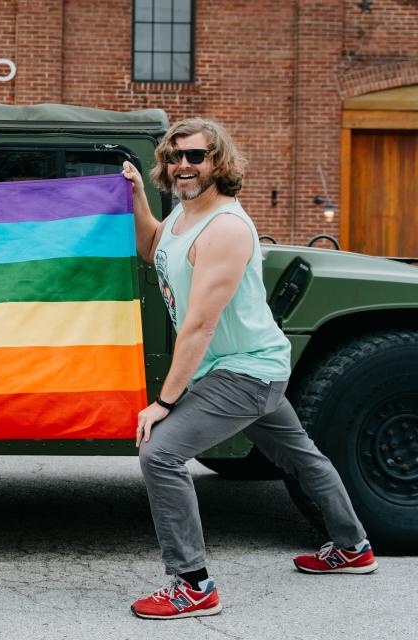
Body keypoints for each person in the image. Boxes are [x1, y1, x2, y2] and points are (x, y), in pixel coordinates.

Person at [120, 119, 375, 620]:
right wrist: (137, 198)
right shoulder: (183, 214)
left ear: (218, 162)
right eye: (174, 158)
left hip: (243, 371)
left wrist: (165, 402)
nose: (183, 166)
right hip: (247, 367)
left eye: (195, 157)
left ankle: (192, 585)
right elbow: (153, 248)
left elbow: (199, 328)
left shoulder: (227, 227)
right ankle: (353, 548)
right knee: (303, 458)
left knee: (160, 453)